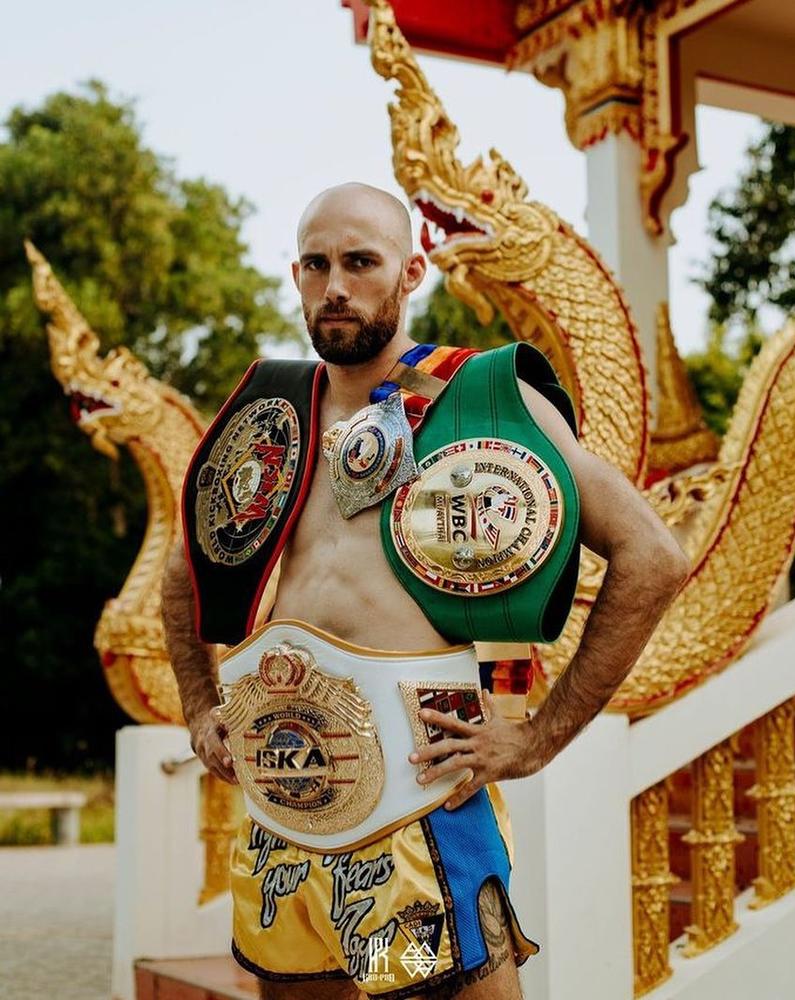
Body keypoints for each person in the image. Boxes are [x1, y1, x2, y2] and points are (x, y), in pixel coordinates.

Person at [162, 182, 690, 1000]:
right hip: (281, 817)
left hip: (414, 817)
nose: (335, 286)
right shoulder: (268, 418)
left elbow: (653, 557)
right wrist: (200, 708)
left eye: (360, 262)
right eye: (316, 265)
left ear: (410, 273)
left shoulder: (479, 397)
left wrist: (538, 739)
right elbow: (181, 575)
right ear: (295, 276)